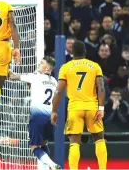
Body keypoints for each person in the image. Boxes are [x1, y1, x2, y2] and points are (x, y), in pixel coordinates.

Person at [51, 41, 107, 169]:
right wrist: (101, 108)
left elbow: (59, 91)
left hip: (75, 108)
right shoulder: (94, 66)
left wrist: (54, 110)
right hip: (92, 107)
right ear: (85, 51)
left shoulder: (65, 67)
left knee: (74, 142)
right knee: (99, 138)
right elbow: (101, 88)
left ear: (72, 53)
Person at [9, 56, 60, 170]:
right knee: (43, 144)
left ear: (47, 68)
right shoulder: (54, 81)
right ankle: (47, 167)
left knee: (34, 147)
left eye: (41, 63)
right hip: (49, 117)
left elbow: (12, 76)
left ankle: (52, 165)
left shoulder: (36, 77)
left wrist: (3, 67)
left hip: (37, 117)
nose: (38, 64)